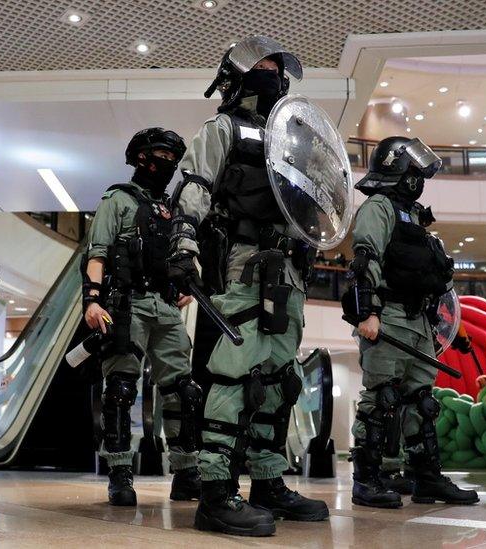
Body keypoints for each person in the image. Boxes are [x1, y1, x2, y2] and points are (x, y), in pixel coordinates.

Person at [167, 36, 328, 537]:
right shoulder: (223, 128)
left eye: (278, 68)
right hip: (241, 263)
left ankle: (267, 482)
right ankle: (214, 492)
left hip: (288, 270)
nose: (273, 73)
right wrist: (183, 246)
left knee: (281, 380)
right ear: (236, 75)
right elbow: (194, 186)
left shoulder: (293, 139)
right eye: (262, 65)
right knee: (234, 377)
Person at [342, 136, 479, 508]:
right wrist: (367, 312)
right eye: (414, 169)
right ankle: (366, 481)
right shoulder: (378, 207)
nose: (419, 176)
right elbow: (365, 257)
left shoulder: (414, 215)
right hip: (387, 318)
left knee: (421, 402)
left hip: (418, 322)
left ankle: (426, 478)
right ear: (397, 168)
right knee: (380, 400)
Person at [82, 128, 202, 506]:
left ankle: (186, 472)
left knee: (183, 391)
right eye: (159, 156)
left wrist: (182, 286)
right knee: (119, 390)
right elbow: (97, 253)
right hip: (126, 305)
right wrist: (92, 300)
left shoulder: (171, 209)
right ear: (140, 158)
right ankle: (119, 474)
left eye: (172, 158)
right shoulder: (117, 200)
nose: (166, 164)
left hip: (165, 309)